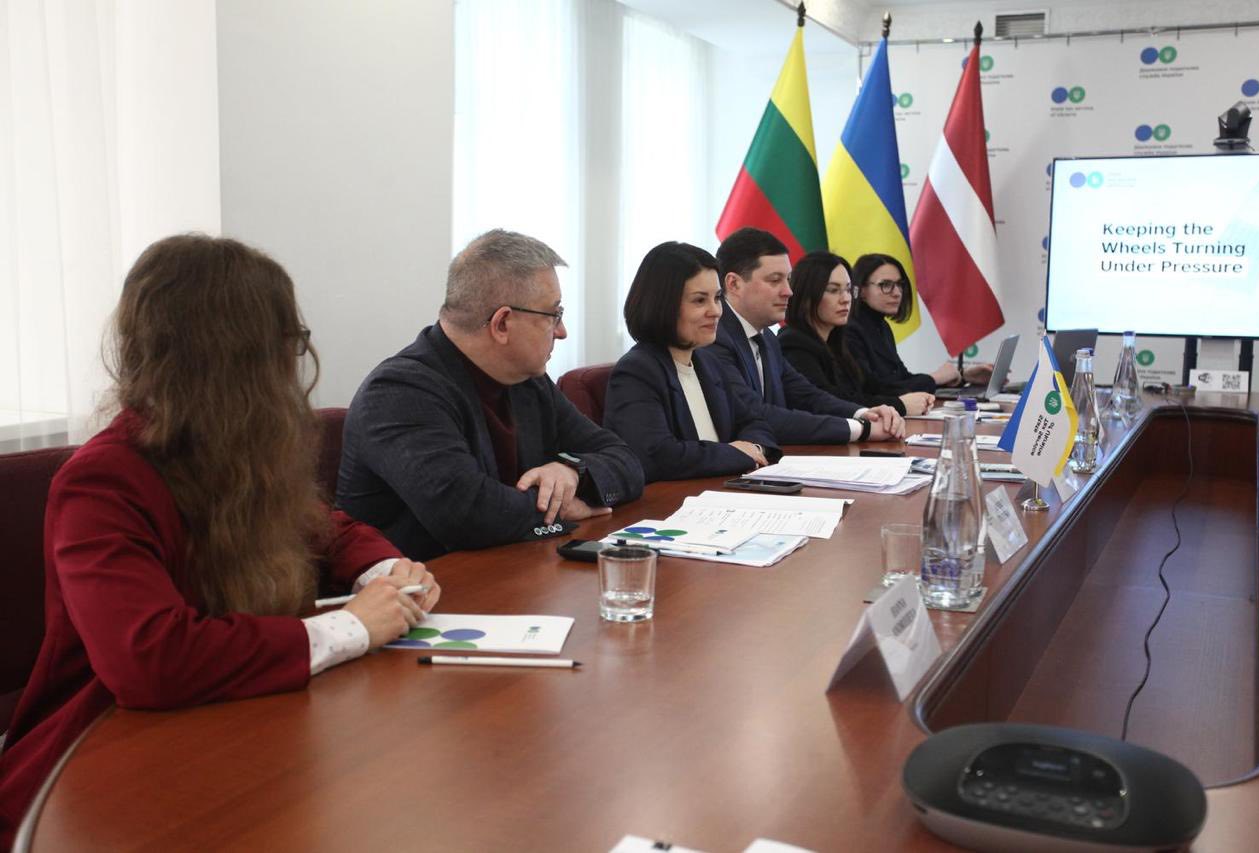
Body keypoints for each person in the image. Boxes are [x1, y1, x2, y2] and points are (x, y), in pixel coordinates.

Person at [0, 235, 438, 846]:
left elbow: (327, 528)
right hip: (99, 759)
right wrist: (352, 628)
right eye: (287, 344)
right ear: (239, 358)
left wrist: (384, 571)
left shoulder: (238, 449)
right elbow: (150, 659)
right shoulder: (102, 480)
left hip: (240, 714)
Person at [338, 229, 644, 559]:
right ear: (502, 324)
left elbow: (626, 461)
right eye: (553, 315)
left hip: (516, 567)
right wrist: (560, 507)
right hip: (427, 582)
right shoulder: (399, 393)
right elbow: (468, 513)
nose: (562, 331)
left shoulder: (527, 380)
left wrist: (572, 473)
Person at [708, 228, 905, 444]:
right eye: (775, 280)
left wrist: (864, 414)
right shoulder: (714, 338)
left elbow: (807, 395)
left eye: (788, 279)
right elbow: (755, 413)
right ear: (734, 284)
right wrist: (861, 428)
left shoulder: (767, 338)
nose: (788, 291)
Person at [604, 241, 781, 482]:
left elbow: (755, 422)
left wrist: (755, 449)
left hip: (724, 491)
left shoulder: (708, 362)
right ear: (662, 305)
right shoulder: (637, 371)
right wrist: (737, 454)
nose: (715, 311)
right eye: (699, 300)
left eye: (717, 298)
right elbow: (657, 456)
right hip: (675, 501)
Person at [778, 251, 935, 417]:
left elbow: (870, 386)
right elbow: (827, 402)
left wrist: (914, 397)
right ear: (806, 296)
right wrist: (900, 405)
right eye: (833, 290)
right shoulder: (794, 343)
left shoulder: (835, 342)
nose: (846, 299)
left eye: (848, 290)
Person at [845, 253, 992, 394]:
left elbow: (902, 379)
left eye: (899, 284)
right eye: (886, 285)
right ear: (861, 290)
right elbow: (873, 390)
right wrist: (934, 378)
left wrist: (962, 376)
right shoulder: (849, 330)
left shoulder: (881, 326)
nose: (897, 293)